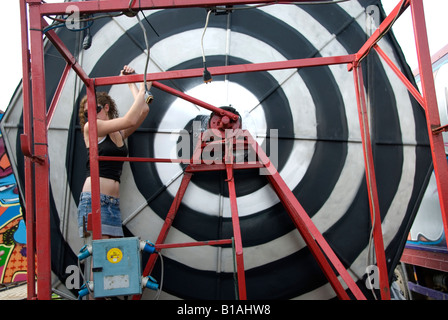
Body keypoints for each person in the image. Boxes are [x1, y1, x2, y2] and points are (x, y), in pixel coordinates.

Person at [77, 65, 150, 239]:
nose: (92, 115)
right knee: (104, 258)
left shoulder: (119, 133)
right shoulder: (92, 127)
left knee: (113, 256)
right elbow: (130, 119)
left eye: (96, 109)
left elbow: (144, 110)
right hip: (94, 199)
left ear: (107, 107)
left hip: (112, 202)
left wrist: (131, 83)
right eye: (88, 113)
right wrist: (143, 89)